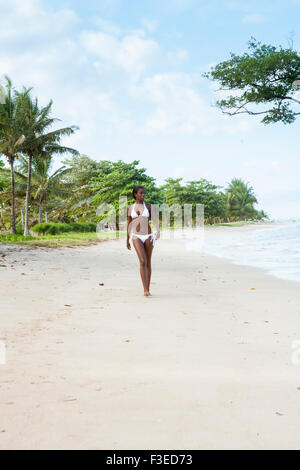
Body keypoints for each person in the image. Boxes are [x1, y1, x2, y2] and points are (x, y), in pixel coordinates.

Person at [127, 186, 160, 296]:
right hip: (136, 236)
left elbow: (154, 219)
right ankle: (145, 289)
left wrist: (158, 231)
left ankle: (148, 288)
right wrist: (127, 239)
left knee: (148, 262)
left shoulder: (149, 206)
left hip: (148, 236)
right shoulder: (130, 208)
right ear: (135, 194)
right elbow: (129, 224)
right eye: (141, 193)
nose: (143, 195)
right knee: (142, 261)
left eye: (144, 193)